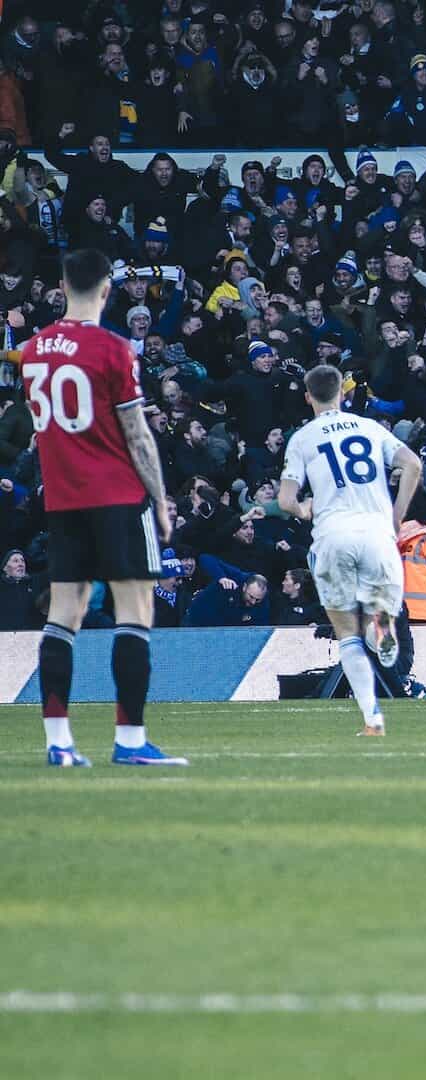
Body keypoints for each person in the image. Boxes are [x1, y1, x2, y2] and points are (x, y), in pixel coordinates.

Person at [25, 249, 179, 766]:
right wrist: (160, 501)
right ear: (108, 289)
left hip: (64, 502)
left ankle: (58, 743)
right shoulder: (113, 349)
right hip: (116, 496)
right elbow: (136, 434)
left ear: (62, 285)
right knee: (135, 612)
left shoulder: (35, 350)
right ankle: (130, 742)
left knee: (63, 616)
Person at [277, 363, 423, 736]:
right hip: (376, 533)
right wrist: (395, 516)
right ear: (343, 392)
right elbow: (412, 464)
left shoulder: (303, 438)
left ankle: (373, 720)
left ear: (308, 396)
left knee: (348, 636)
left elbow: (286, 499)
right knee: (379, 613)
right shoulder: (371, 428)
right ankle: (382, 626)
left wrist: (305, 508)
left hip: (333, 536)